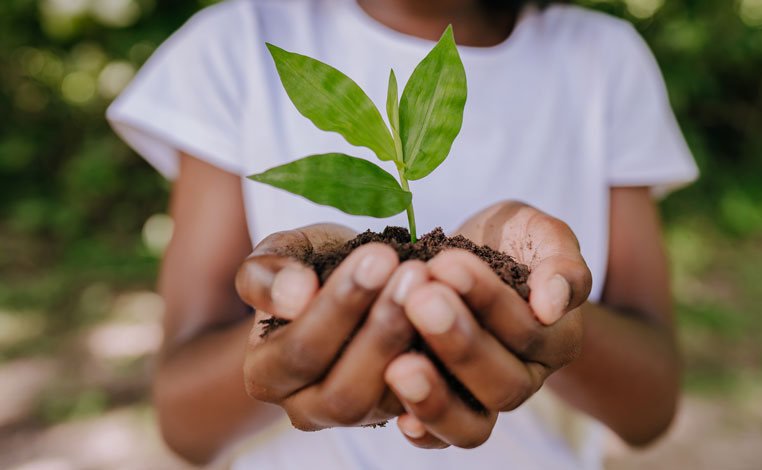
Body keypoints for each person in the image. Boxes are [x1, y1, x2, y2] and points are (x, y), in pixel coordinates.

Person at [107, 0, 699, 468]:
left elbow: (649, 408)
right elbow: (184, 422)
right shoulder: (232, 45)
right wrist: (303, 328)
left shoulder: (603, 57)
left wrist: (540, 313)